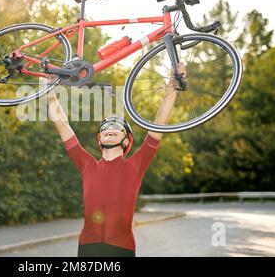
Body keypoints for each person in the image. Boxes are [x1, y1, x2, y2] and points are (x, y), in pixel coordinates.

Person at [40, 62, 186, 257]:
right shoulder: (87, 165)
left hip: (122, 248)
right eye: (106, 127)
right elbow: (63, 125)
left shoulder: (135, 166)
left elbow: (158, 125)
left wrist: (173, 85)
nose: (110, 128)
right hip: (87, 247)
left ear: (126, 141)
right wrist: (49, 93)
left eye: (117, 127)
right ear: (100, 138)